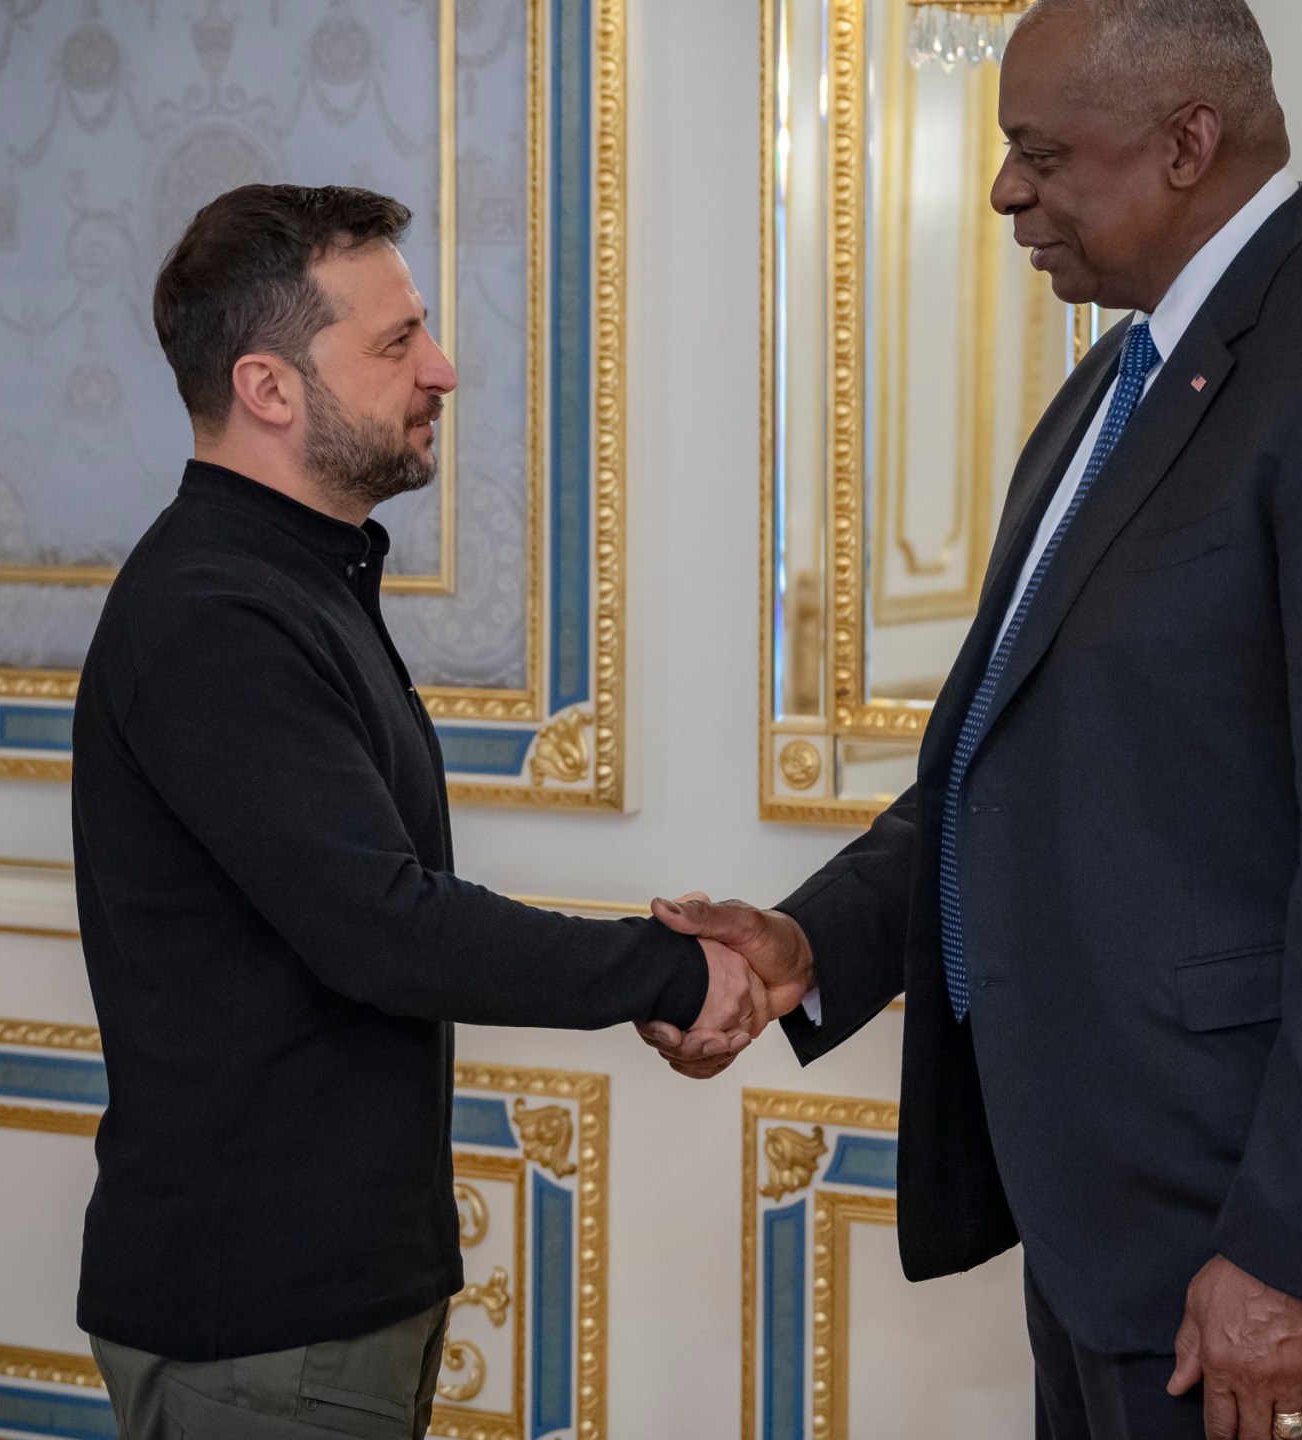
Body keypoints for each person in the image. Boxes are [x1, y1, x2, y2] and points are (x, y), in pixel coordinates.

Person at [644, 2, 1302, 1437]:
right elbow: (1010, 761)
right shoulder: (1108, 389)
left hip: (1249, 1241)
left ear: (1188, 143)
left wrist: (1289, 1256)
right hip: (1111, 1222)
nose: (1008, 191)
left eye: (1041, 155)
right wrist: (809, 944)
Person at [70, 184, 796, 1440]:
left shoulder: (295, 581)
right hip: (258, 1315)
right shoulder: (215, 615)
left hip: (328, 1297)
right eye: (396, 342)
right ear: (270, 388)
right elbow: (384, 929)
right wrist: (669, 973)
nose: (442, 370)